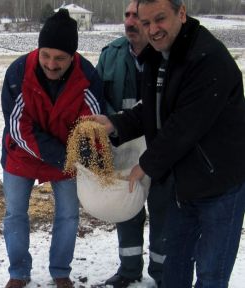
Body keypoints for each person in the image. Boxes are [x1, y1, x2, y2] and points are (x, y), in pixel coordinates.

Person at [88, 0, 245, 287]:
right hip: (183, 185)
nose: (152, 29)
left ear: (181, 13)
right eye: (146, 23)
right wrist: (116, 123)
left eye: (160, 19)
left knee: (211, 273)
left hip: (219, 187)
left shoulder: (207, 58)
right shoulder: (160, 55)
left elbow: (185, 125)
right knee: (175, 269)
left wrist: (145, 165)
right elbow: (154, 107)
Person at [0, 9, 104, 288]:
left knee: (69, 214)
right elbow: (19, 128)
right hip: (22, 154)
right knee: (15, 214)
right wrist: (64, 155)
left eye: (60, 58)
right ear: (38, 49)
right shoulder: (18, 73)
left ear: (73, 56)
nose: (51, 64)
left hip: (66, 158)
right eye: (46, 55)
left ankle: (60, 271)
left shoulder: (87, 77)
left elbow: (92, 125)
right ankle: (18, 273)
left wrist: (83, 156)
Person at [96, 1, 168, 287]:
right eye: (126, 15)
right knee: (126, 208)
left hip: (160, 147)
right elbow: (98, 96)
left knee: (162, 209)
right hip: (123, 146)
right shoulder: (111, 54)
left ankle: (162, 273)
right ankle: (128, 270)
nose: (130, 21)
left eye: (136, 16)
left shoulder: (165, 54)